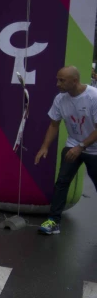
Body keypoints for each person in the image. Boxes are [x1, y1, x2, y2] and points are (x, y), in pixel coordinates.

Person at [35, 66, 97, 235]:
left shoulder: (93, 96)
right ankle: (53, 221)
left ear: (75, 81)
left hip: (94, 149)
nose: (57, 84)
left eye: (62, 80)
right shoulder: (60, 99)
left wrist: (81, 146)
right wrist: (44, 146)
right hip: (73, 144)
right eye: (57, 79)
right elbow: (54, 124)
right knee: (62, 182)